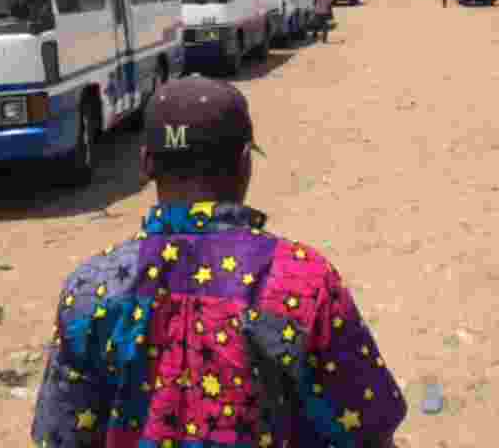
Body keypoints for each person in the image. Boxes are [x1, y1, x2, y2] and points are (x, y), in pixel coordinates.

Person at [32, 76, 406, 448]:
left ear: (147, 164)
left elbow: (60, 434)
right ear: (245, 162)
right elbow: (368, 430)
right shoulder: (303, 279)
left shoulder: (90, 288)